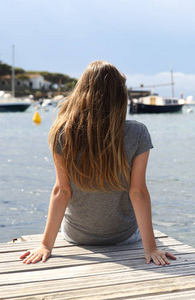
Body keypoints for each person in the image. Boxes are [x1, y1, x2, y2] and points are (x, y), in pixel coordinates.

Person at [20, 61, 176, 266]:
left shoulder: (62, 132)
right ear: (120, 96)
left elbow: (62, 191)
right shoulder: (137, 133)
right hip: (122, 236)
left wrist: (46, 246)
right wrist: (151, 248)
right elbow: (137, 192)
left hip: (77, 236)